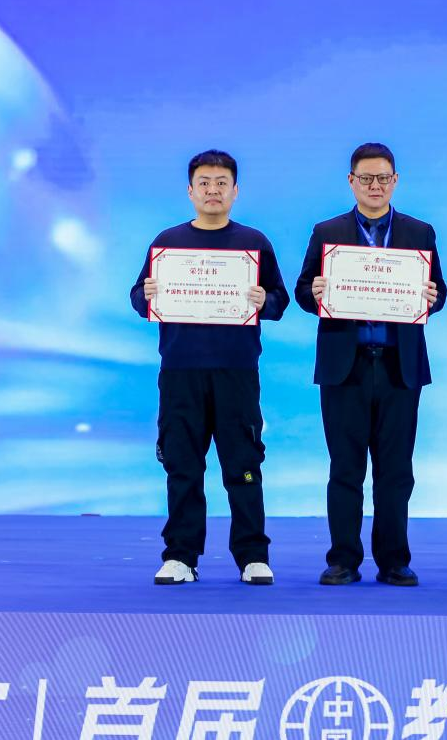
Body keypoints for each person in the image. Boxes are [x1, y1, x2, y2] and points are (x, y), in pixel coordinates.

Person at [130, 149, 289, 586]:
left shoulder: (254, 242)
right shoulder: (168, 243)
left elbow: (279, 301)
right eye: (204, 183)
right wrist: (147, 294)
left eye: (221, 183)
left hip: (236, 371)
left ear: (235, 191)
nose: (212, 190)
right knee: (182, 465)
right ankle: (180, 556)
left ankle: (253, 556)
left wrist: (264, 300)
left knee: (244, 464)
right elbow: (138, 298)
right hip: (180, 371)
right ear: (190, 191)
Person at [294, 142, 445, 587]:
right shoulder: (327, 231)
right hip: (346, 367)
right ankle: (343, 558)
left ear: (395, 181)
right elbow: (303, 291)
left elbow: (436, 292)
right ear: (351, 181)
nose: (375, 186)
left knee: (396, 471)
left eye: (383, 178)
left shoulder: (419, 232)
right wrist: (315, 293)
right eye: (366, 178)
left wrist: (432, 297)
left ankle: (394, 560)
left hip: (399, 367)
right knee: (345, 468)